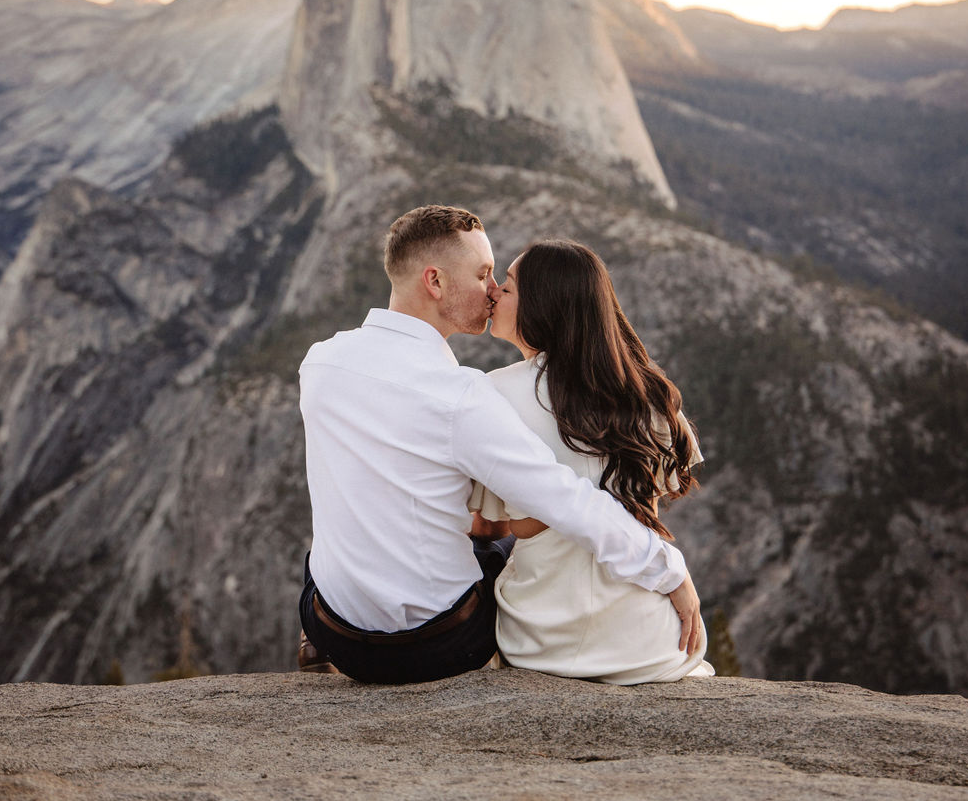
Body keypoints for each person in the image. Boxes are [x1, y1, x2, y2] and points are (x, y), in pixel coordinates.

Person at [297, 205, 701, 684]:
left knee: (330, 538)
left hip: (336, 632)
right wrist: (669, 570)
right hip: (438, 647)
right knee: (500, 542)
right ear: (436, 282)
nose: (494, 290)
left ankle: (313, 641)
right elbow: (566, 500)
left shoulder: (319, 364)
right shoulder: (460, 396)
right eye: (484, 273)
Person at [477, 239, 714, 682]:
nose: (493, 293)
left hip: (539, 641)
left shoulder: (493, 395)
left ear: (542, 306)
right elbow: (645, 515)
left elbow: (483, 528)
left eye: (507, 287)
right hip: (649, 645)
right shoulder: (648, 395)